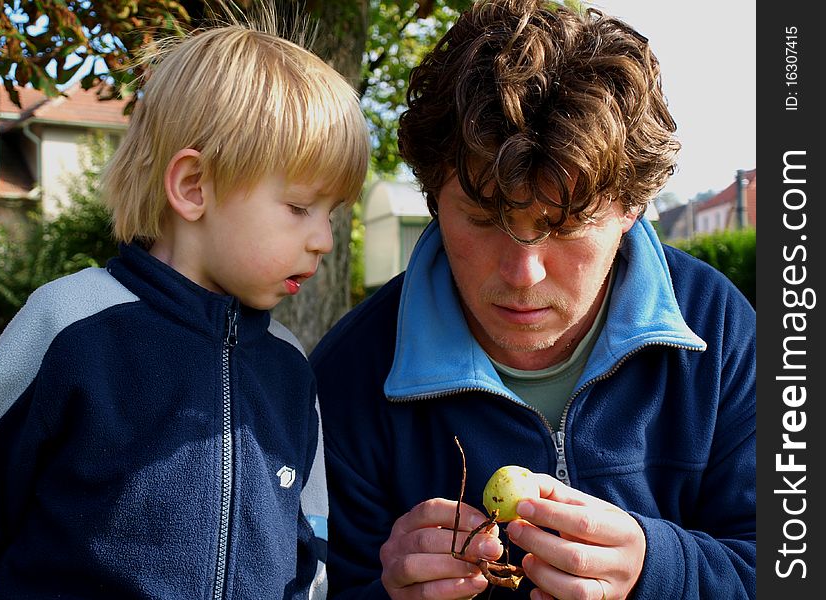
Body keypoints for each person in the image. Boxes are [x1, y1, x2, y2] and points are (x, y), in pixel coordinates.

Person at [310, 1, 755, 598]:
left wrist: (659, 569)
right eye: (483, 218)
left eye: (565, 226)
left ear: (631, 207)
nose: (523, 273)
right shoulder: (349, 372)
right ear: (433, 196)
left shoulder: (723, 334)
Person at [0, 17, 369, 598]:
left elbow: (310, 540)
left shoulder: (290, 368)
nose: (324, 239)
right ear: (194, 186)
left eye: (332, 213)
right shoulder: (70, 324)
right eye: (301, 206)